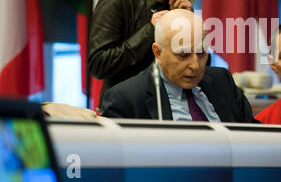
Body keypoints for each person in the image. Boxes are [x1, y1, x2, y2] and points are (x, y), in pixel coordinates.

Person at [101, 9, 257, 123]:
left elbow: (253, 139)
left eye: (201, 53)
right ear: (158, 52)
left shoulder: (222, 81)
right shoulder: (125, 99)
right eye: (183, 55)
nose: (195, 66)